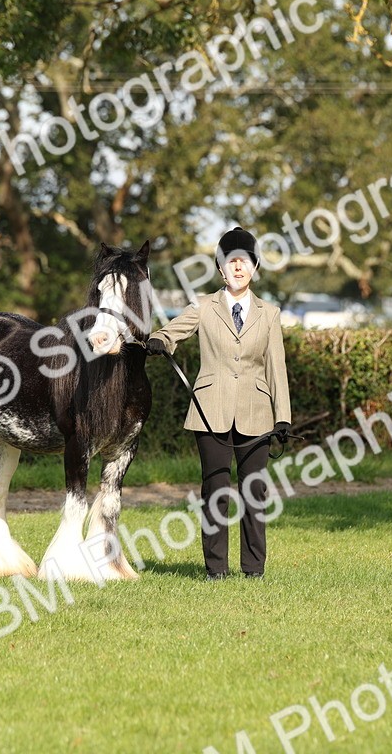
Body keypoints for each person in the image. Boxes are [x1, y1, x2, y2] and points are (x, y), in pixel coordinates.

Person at [146, 227, 292, 580]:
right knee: (215, 490)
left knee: (254, 491)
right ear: (220, 268)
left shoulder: (269, 314)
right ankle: (216, 570)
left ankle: (254, 569)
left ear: (254, 267)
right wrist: (158, 340)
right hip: (210, 409)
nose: (237, 267)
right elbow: (171, 331)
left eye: (243, 261)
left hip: (257, 414)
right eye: (230, 261)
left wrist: (283, 417)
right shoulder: (203, 306)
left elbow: (276, 367)